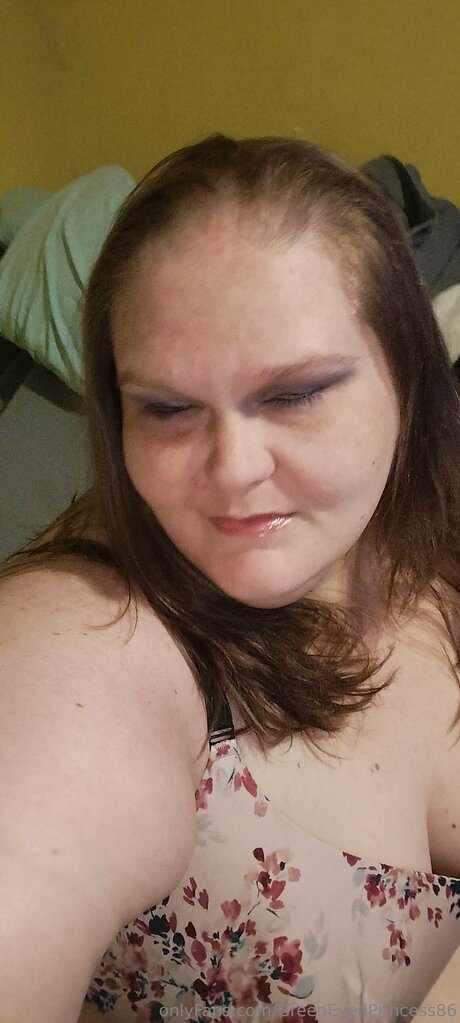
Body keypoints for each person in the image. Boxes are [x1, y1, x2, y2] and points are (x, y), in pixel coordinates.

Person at [1, 134, 460, 1023]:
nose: (233, 469)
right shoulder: (86, 634)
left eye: (295, 393)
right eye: (169, 409)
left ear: (406, 371)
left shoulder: (422, 530)